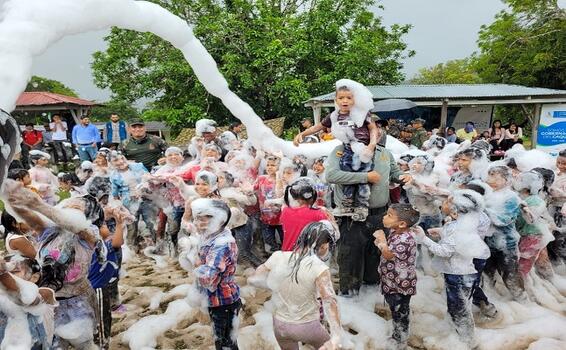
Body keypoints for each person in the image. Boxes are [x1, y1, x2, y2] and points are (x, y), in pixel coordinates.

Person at [325, 138, 410, 296]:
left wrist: (403, 176)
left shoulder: (384, 153)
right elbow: (331, 175)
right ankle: (349, 296)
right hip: (351, 215)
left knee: (375, 255)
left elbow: (393, 173)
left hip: (379, 215)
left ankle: (370, 293)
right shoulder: (341, 150)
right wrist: (365, 177)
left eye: (376, 128)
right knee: (350, 257)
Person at [251, 221, 343, 350]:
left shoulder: (278, 256)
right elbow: (330, 302)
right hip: (307, 327)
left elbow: (254, 278)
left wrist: (276, 285)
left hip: (280, 326)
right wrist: (336, 336)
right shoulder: (320, 268)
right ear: (323, 246)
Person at [294, 82, 379, 220]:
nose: (345, 101)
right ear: (336, 100)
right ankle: (347, 205)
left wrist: (372, 144)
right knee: (347, 178)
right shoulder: (334, 116)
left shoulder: (362, 113)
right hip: (347, 150)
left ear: (355, 99)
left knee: (363, 180)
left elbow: (373, 129)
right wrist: (302, 134)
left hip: (363, 150)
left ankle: (362, 207)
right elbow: (318, 127)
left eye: (349, 98)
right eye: (341, 98)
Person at [415, 190, 490, 348]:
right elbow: (460, 239)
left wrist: (424, 240)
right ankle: (460, 337)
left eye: (448, 202)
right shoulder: (472, 222)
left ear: (456, 212)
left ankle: (466, 342)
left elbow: (445, 251)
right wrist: (442, 231)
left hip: (457, 275)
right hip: (467, 272)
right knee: (463, 306)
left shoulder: (455, 228)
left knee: (459, 310)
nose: (444, 202)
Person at [191, 198, 241, 350]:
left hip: (223, 301)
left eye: (203, 218)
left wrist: (198, 264)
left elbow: (208, 277)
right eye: (197, 218)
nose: (198, 222)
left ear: (220, 220)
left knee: (225, 342)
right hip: (218, 299)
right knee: (225, 339)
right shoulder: (214, 235)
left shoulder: (222, 244)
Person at [373, 204, 419, 350]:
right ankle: (399, 333)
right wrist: (381, 242)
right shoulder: (396, 231)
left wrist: (382, 241)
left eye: (389, 216)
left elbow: (388, 254)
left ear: (402, 223)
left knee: (399, 310)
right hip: (392, 280)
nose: (384, 217)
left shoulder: (405, 239)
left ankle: (400, 340)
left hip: (400, 283)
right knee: (397, 308)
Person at [483, 166, 527, 300]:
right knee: (486, 275)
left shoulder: (511, 197)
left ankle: (523, 303)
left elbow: (503, 220)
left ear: (506, 180)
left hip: (506, 244)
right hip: (488, 242)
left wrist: (483, 209)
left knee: (510, 276)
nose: (490, 180)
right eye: (489, 176)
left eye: (495, 177)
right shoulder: (487, 194)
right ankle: (495, 301)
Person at [280, 177, 330, 251]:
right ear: (313, 196)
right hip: (306, 256)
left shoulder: (285, 211)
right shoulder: (319, 213)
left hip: (286, 254)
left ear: (293, 196)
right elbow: (330, 235)